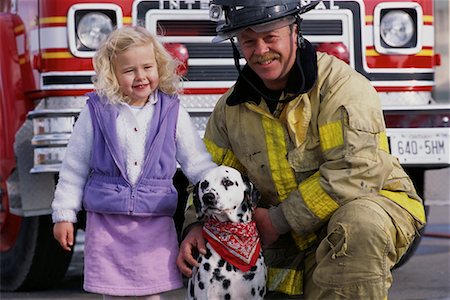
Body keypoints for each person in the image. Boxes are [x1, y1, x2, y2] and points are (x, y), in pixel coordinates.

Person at [176, 1, 426, 299]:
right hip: (285, 235)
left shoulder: (341, 88)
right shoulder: (230, 109)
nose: (260, 50)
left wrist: (279, 220)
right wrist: (195, 224)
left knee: (358, 227)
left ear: (295, 31)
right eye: (248, 40)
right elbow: (208, 174)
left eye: (270, 37)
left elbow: (356, 171)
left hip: (367, 206)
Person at [52, 26, 216, 299]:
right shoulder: (95, 112)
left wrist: (221, 189)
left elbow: (197, 163)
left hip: (154, 222)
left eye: (147, 67)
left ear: (159, 67)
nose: (141, 77)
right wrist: (64, 216)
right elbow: (73, 168)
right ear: (112, 74)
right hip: (107, 224)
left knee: (151, 294)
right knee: (112, 293)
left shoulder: (173, 112)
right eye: (129, 71)